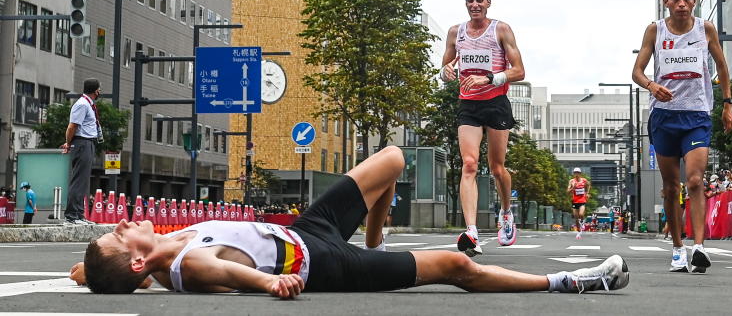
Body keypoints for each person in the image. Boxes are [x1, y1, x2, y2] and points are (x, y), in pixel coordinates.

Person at [74, 147, 628, 297]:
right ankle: (573, 281)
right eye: (121, 234)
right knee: (455, 264)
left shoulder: (155, 251)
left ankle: (376, 237)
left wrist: (88, 269)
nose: (125, 223)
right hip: (324, 262)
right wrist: (272, 282)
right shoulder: (188, 263)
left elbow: (104, 270)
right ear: (141, 258)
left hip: (304, 227)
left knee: (390, 160)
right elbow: (232, 273)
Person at [632, 0, 732, 274]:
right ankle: (678, 248)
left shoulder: (705, 29)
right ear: (666, 1)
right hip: (664, 116)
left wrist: (727, 105)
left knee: (694, 180)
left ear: (694, 1)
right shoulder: (655, 30)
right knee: (669, 187)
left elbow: (722, 67)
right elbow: (637, 71)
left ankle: (699, 247)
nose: (681, 4)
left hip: (697, 115)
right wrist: (652, 86)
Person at [441, 0, 526, 255]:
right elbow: (445, 66)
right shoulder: (456, 33)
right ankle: (471, 231)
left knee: (497, 168)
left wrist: (488, 77)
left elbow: (519, 71)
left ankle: (505, 212)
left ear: (488, 2)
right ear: (465, 3)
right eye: (470, 1)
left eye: (479, 0)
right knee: (469, 164)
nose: (474, 5)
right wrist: (446, 73)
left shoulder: (500, 29)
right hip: (469, 105)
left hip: (496, 103)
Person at [61, 78, 103, 225]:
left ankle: (78, 214)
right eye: (99, 89)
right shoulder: (82, 104)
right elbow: (72, 126)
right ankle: (72, 215)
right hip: (82, 142)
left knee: (83, 180)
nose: (100, 92)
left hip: (87, 142)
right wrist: (68, 142)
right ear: (95, 90)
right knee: (79, 179)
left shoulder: (88, 105)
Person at [567, 168, 590, 240]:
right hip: (574, 201)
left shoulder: (584, 180)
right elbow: (567, 191)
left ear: (580, 174)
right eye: (575, 173)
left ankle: (582, 222)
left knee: (581, 214)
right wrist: (573, 188)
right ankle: (578, 232)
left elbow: (588, 185)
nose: (576, 174)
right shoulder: (571, 181)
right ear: (573, 173)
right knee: (576, 218)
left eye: (578, 173)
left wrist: (587, 193)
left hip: (582, 200)